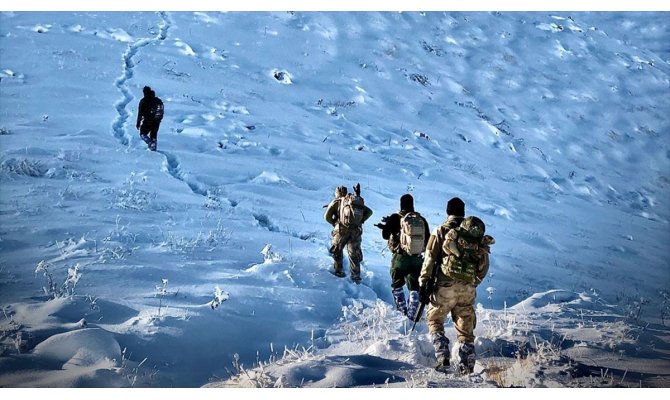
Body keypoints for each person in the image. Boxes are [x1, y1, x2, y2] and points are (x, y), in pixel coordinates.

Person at [418, 197, 494, 374]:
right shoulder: (476, 236)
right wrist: (473, 282)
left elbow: (429, 258)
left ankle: (442, 355)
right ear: (463, 213)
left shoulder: (442, 230)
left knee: (435, 319)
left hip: (445, 285)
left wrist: (423, 283)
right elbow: (484, 265)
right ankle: (466, 366)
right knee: (465, 327)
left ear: (448, 212)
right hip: (468, 287)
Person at [376, 194, 430, 320]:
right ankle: (412, 314)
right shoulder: (421, 219)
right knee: (415, 286)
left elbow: (385, 235)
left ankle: (401, 312)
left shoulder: (396, 217)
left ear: (401, 204)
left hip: (400, 258)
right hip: (417, 258)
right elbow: (427, 239)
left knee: (397, 284)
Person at [323, 183, 373, 284]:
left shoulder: (336, 201)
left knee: (337, 250)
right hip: (355, 231)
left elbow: (326, 217)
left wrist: (334, 223)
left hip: (341, 230)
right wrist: (360, 221)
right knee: (354, 253)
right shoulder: (353, 202)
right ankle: (356, 277)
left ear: (336, 193)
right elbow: (369, 212)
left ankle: (339, 271)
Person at [136, 86, 164, 151]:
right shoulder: (158, 100)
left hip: (148, 119)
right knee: (153, 134)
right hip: (157, 120)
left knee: (142, 133)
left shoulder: (144, 100)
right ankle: (153, 149)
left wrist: (138, 123)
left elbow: (140, 113)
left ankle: (150, 143)